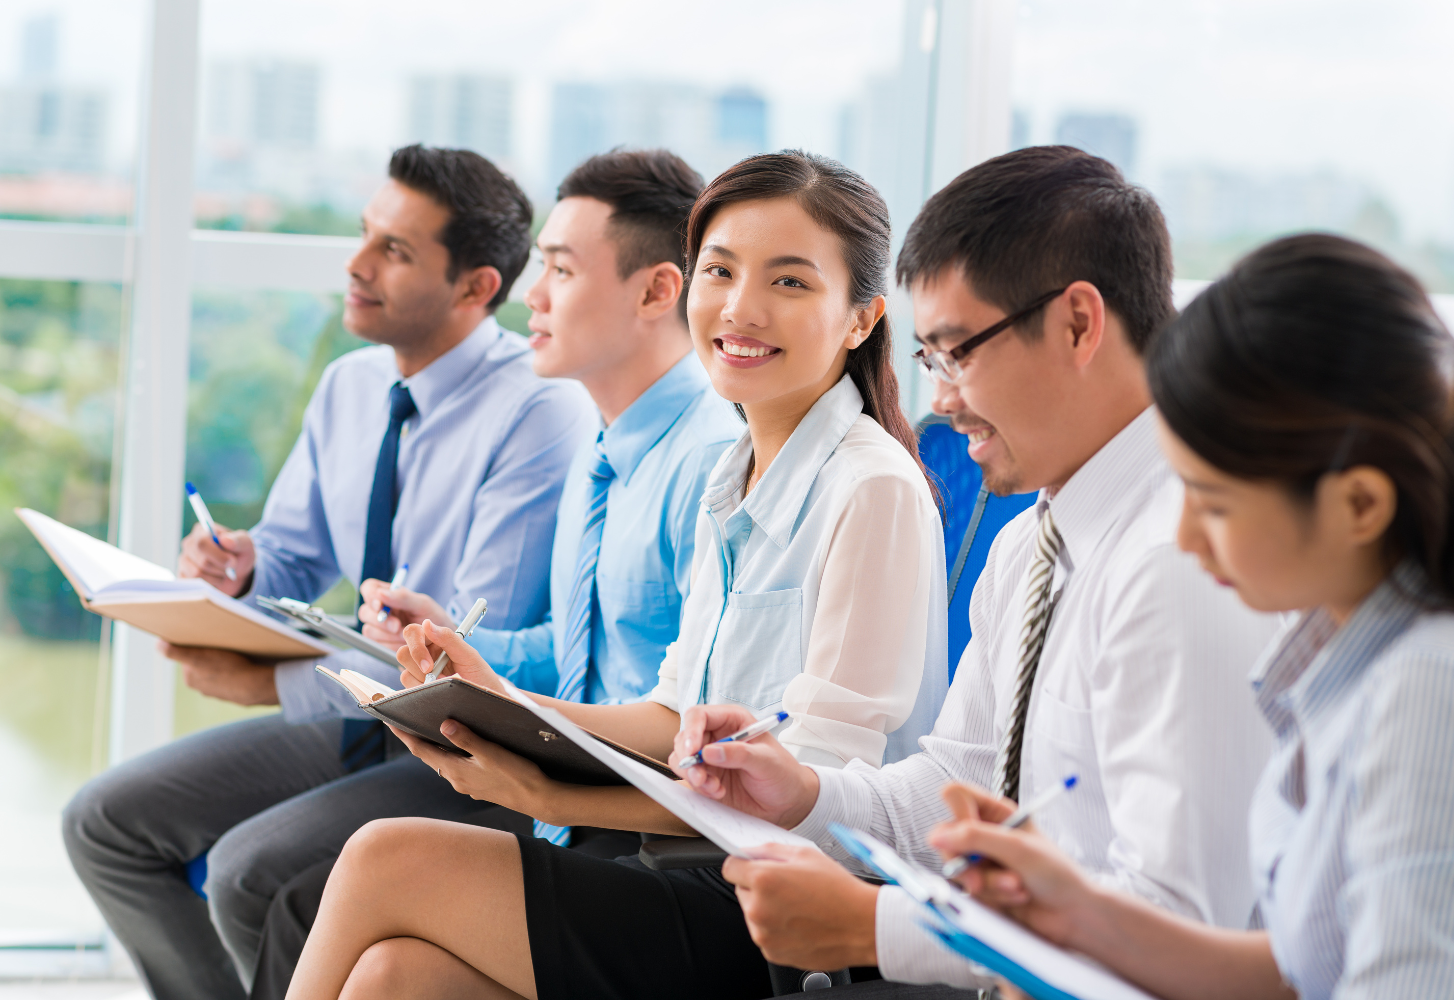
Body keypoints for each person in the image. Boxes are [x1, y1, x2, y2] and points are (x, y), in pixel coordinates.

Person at [284, 150, 950, 1000]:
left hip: (794, 909)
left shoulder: (872, 487)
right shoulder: (735, 471)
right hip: (695, 865)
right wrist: (502, 702)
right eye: (722, 270)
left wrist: (560, 800)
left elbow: (814, 801)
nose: (741, 308)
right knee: (394, 975)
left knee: (388, 856)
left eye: (789, 283)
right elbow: (671, 711)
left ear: (859, 320)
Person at [669, 146, 1283, 988]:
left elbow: (1177, 926)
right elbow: (956, 777)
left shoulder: (1182, 562)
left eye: (957, 352)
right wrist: (803, 796)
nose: (943, 399)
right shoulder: (1030, 543)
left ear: (1077, 323)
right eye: (930, 359)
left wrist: (878, 928)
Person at [61, 146, 594, 1000]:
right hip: (355, 713)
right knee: (105, 823)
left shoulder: (539, 411)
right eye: (364, 236)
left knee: (247, 873)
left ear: (477, 288)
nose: (355, 265)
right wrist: (237, 569)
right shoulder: (351, 384)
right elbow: (297, 555)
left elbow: (457, 651)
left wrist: (277, 683)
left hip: (459, 745)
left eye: (396, 251)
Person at [925, 234, 1454, 999]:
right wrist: (1077, 914)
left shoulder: (1432, 685)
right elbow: (1296, 972)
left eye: (1216, 502)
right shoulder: (1342, 658)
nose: (1189, 534)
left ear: (1360, 503)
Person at [355, 147, 743, 853]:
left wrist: (506, 707)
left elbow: (701, 714)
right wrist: (459, 642)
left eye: (560, 271)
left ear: (658, 293)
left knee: (329, 880)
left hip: (643, 823)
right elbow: (576, 651)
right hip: (567, 790)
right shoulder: (600, 452)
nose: (531, 297)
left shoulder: (709, 464)